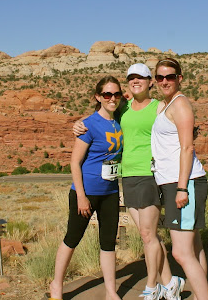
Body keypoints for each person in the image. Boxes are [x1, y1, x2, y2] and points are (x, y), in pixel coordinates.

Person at [74, 63, 185, 300]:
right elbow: (101, 114)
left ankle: (152, 287)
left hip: (150, 174)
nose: (136, 80)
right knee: (150, 236)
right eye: (131, 77)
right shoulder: (123, 107)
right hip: (127, 175)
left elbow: (180, 128)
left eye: (141, 77)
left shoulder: (159, 106)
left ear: (150, 81)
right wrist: (78, 125)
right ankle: (170, 283)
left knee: (147, 234)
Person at [49, 76, 124, 300]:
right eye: (107, 94)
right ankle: (56, 286)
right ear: (98, 97)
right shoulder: (88, 125)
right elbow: (75, 162)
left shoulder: (119, 119)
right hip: (87, 191)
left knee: (108, 242)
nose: (112, 98)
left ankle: (111, 292)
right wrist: (81, 196)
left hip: (110, 192)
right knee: (72, 238)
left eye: (116, 94)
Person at [152, 58, 208, 300]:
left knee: (181, 253)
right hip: (174, 182)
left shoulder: (180, 105)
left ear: (180, 78)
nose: (165, 81)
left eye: (170, 77)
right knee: (194, 247)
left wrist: (182, 188)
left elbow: (187, 148)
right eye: (160, 77)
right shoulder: (165, 104)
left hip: (185, 182)